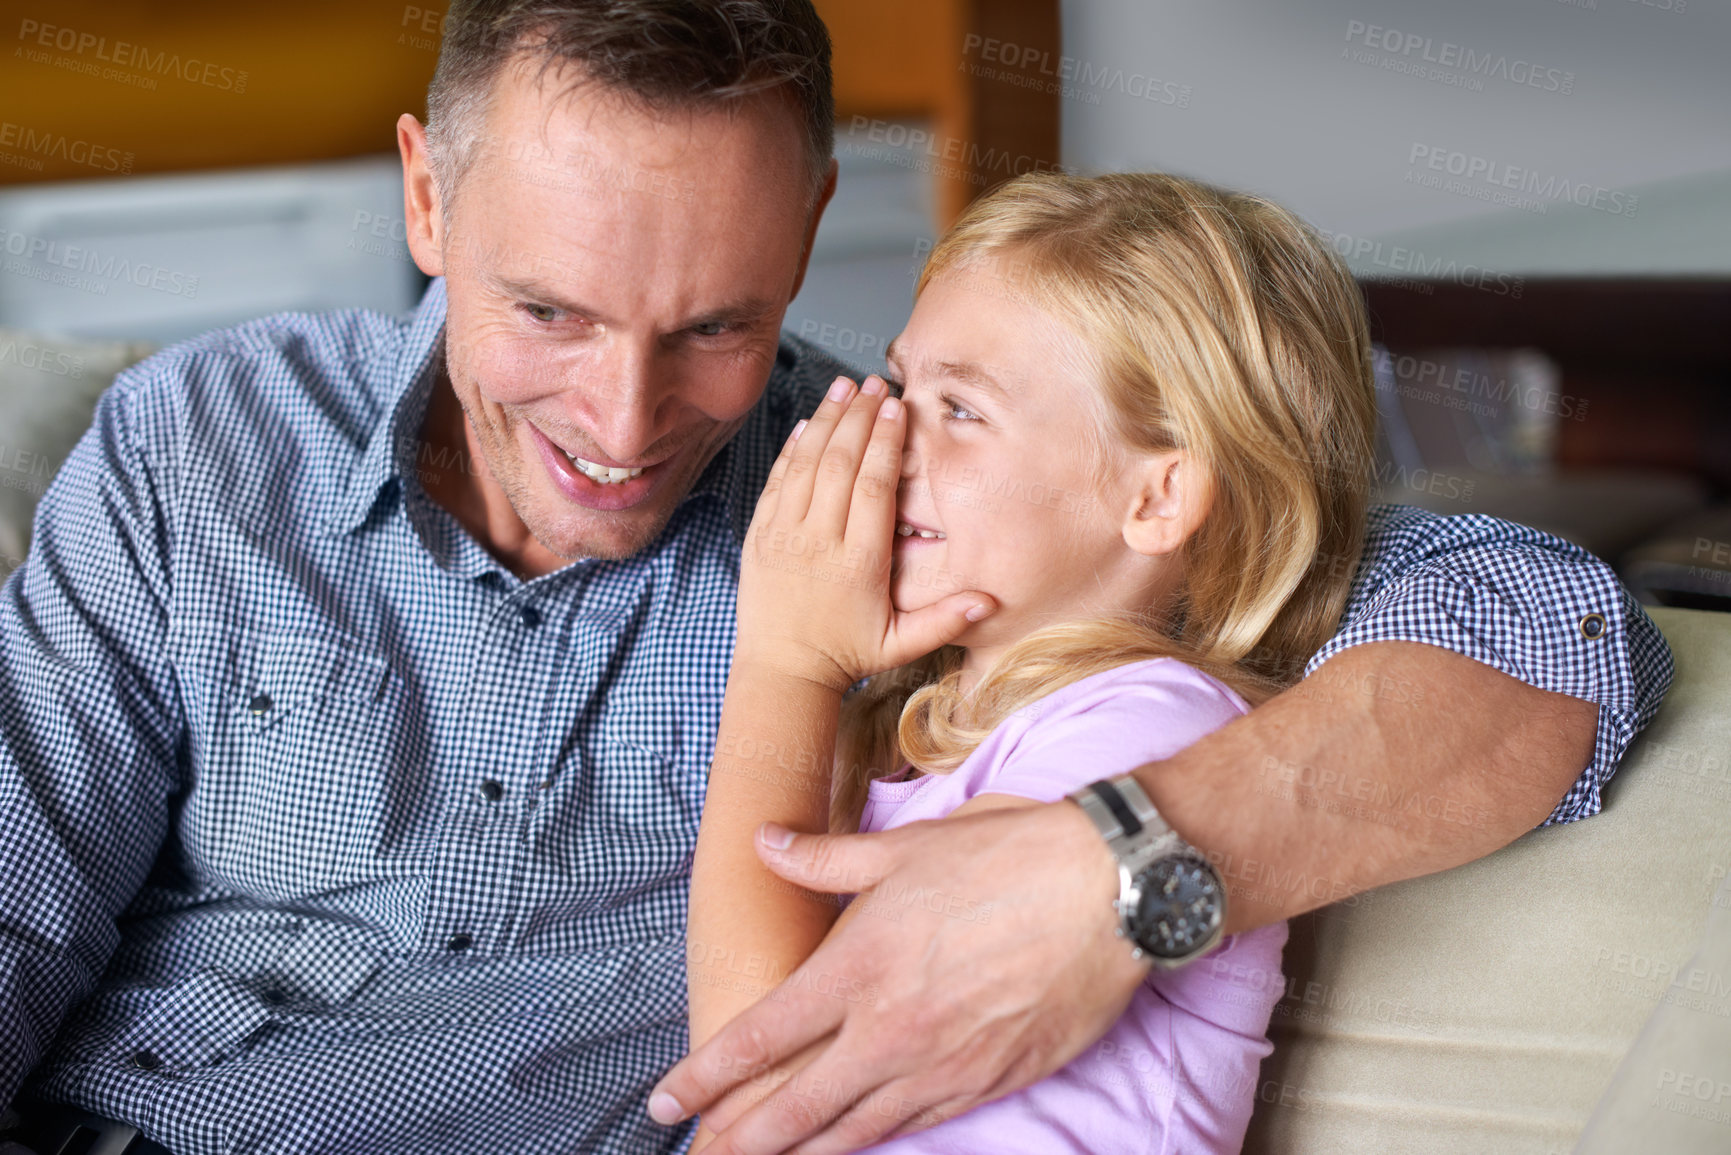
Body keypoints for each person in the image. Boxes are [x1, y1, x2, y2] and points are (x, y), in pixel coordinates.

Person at [0, 2, 1668, 1153]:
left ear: (804, 236)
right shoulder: (198, 448)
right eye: (550, 314)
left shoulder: (912, 511)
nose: (624, 422)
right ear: (428, 199)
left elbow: (1536, 618)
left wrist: (1138, 857)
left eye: (714, 326)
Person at [685, 170, 1379, 1153]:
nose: (886, 439)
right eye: (902, 383)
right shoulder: (927, 723)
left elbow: (764, 1095)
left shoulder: (1151, 729)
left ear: (1157, 498)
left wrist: (784, 666)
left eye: (961, 409)